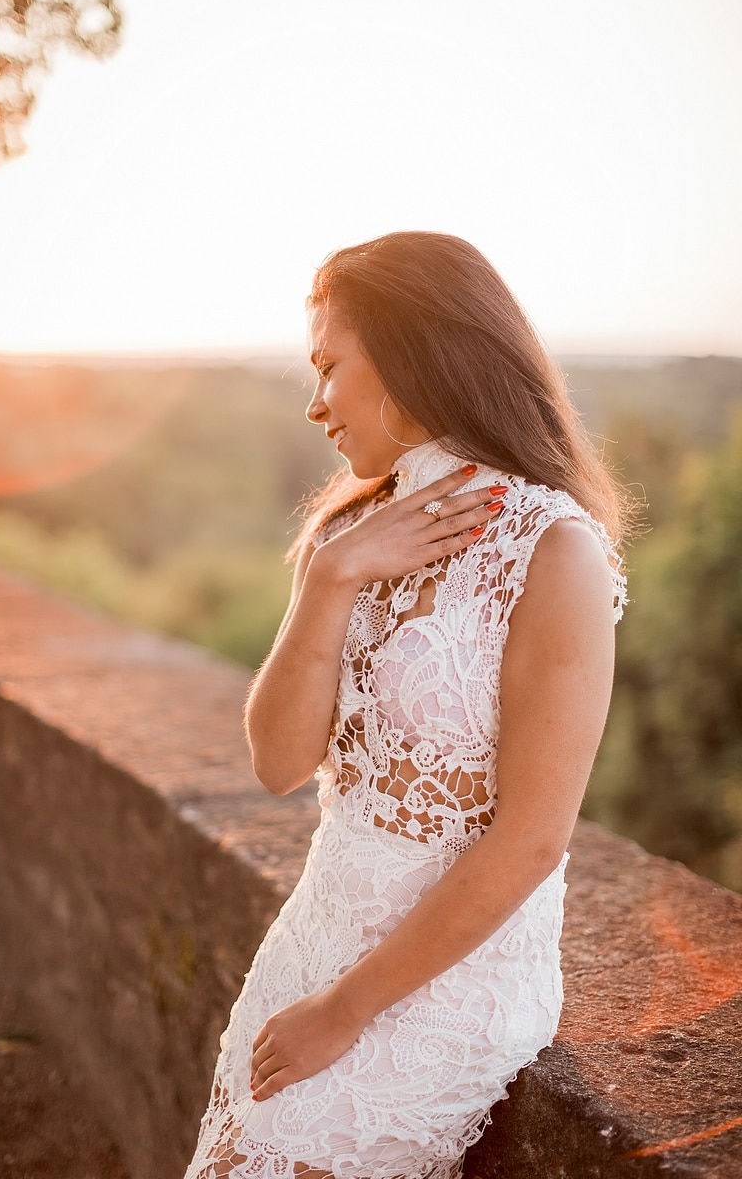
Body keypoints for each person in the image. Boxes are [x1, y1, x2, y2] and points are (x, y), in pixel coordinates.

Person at [184, 231, 628, 1179]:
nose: (315, 404)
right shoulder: (348, 534)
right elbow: (276, 762)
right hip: (314, 939)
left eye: (329, 367)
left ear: (407, 353)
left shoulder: (555, 553)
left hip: (442, 987)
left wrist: (346, 1011)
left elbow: (534, 838)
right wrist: (329, 579)